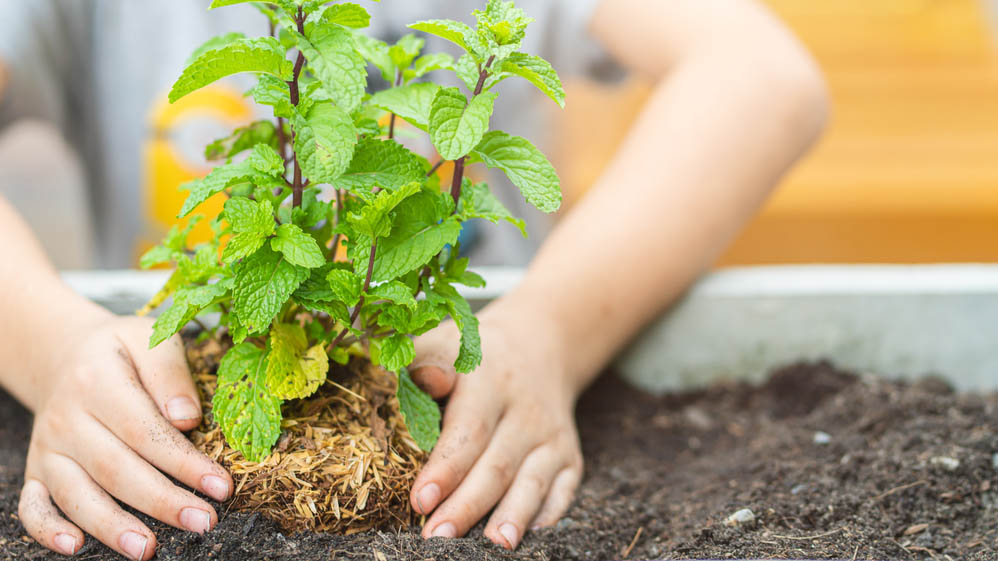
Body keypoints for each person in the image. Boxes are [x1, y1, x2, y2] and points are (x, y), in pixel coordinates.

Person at [0, 0, 829, 558]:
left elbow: (764, 77)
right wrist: (45, 342)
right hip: (189, 370)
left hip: (471, 375)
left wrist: (553, 329)